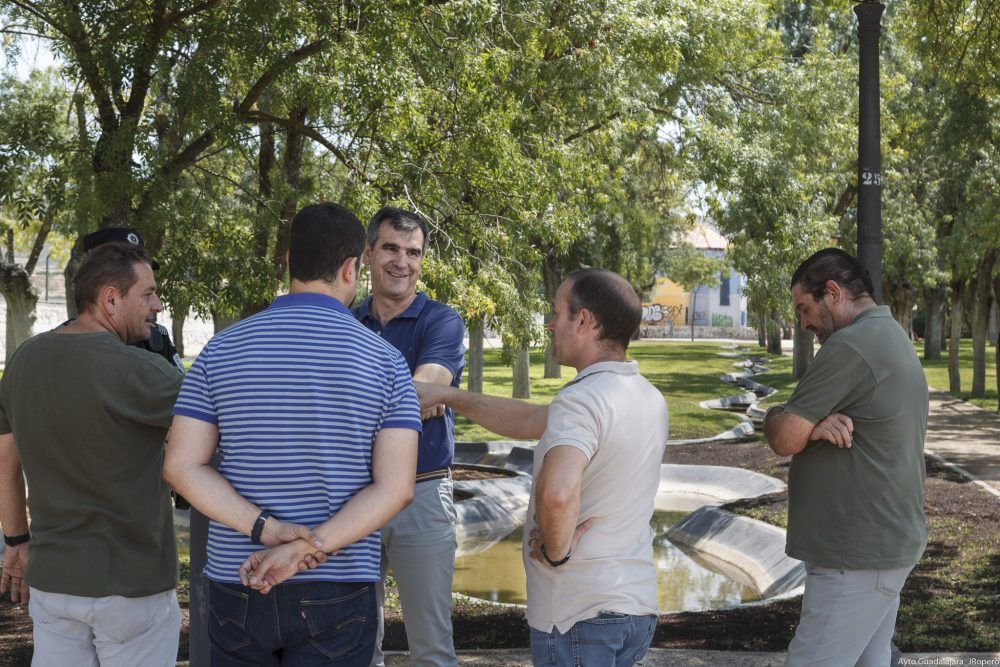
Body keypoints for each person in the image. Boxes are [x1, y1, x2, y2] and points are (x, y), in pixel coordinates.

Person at [163, 202, 421, 666]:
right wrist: (307, 546)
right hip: (338, 583)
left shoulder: (219, 352)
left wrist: (267, 529)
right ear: (352, 267)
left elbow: (181, 466)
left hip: (237, 579)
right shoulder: (386, 363)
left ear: (287, 262)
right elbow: (397, 488)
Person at [416, 268, 666, 666]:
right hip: (634, 610)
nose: (550, 324)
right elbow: (530, 420)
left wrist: (557, 550)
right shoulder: (647, 397)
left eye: (557, 312)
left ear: (583, 321)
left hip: (576, 614)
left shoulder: (580, 401)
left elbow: (558, 493)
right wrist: (450, 395)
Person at [0, 242, 183, 666]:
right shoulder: (143, 371)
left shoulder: (24, 361)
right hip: (132, 588)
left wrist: (15, 542)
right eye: (149, 293)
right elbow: (216, 438)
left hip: (53, 586)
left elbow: (6, 460)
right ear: (111, 299)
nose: (157, 305)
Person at [763, 248, 928, 667]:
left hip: (854, 558)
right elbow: (799, 432)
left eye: (805, 308)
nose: (802, 323)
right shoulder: (891, 335)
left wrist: (783, 417)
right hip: (879, 549)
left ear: (832, 292)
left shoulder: (850, 346)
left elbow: (783, 438)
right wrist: (814, 426)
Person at [353, 207, 465, 667]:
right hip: (353, 496)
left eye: (413, 252)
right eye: (391, 249)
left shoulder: (441, 321)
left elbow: (428, 391)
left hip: (422, 490)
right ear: (368, 254)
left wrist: (359, 400)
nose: (403, 262)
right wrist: (411, 394)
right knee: (355, 647)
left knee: (432, 648)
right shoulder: (345, 318)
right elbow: (414, 397)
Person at [62, 227, 185, 372]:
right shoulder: (62, 344)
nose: (158, 306)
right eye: (120, 259)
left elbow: (181, 390)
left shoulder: (156, 339)